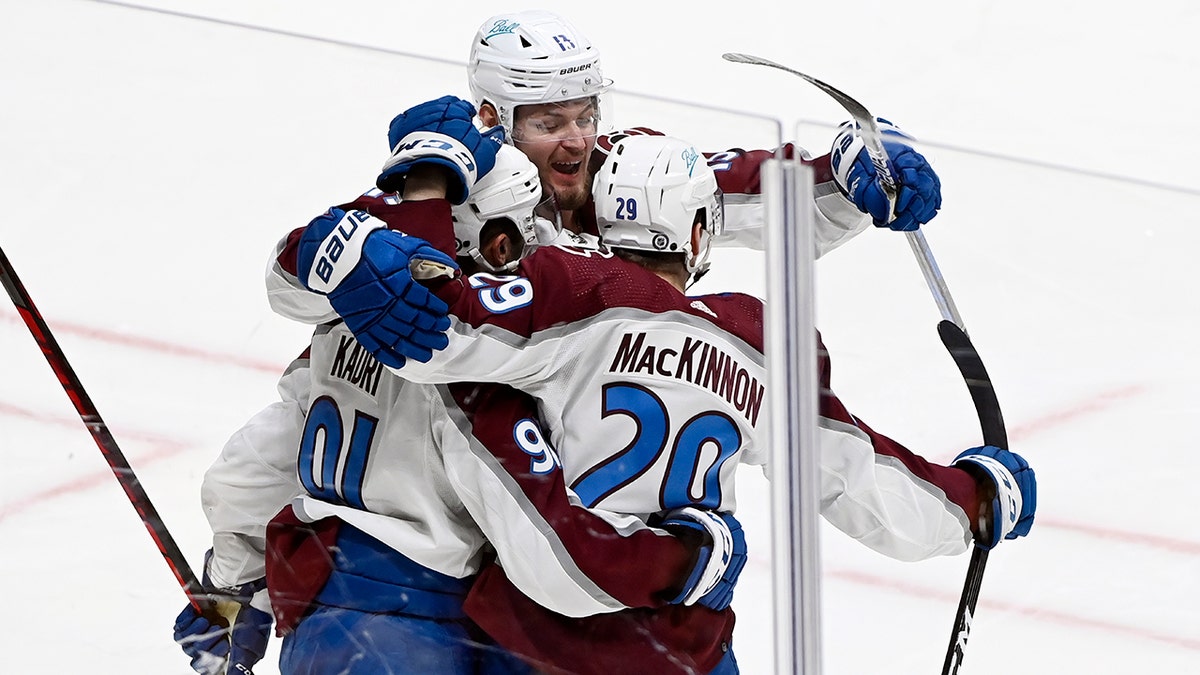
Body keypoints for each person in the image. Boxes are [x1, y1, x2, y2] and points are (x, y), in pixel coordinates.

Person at [284, 132, 1035, 675]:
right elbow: (850, 472)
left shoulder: (567, 287)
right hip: (685, 652)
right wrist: (972, 500)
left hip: (536, 642)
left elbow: (425, 327)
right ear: (702, 233)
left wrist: (380, 230)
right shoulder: (762, 338)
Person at [173, 146, 747, 675]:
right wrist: (679, 559)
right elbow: (536, 531)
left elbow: (253, 466)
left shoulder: (344, 324)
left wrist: (231, 590)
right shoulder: (479, 369)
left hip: (322, 601)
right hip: (421, 621)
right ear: (501, 243)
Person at [264, 9, 944, 366]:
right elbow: (297, 278)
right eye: (551, 121)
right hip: (474, 494)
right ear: (493, 121)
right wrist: (340, 257)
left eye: (587, 114)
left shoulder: (629, 171)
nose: (579, 139)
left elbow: (749, 186)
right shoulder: (444, 192)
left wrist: (856, 167)